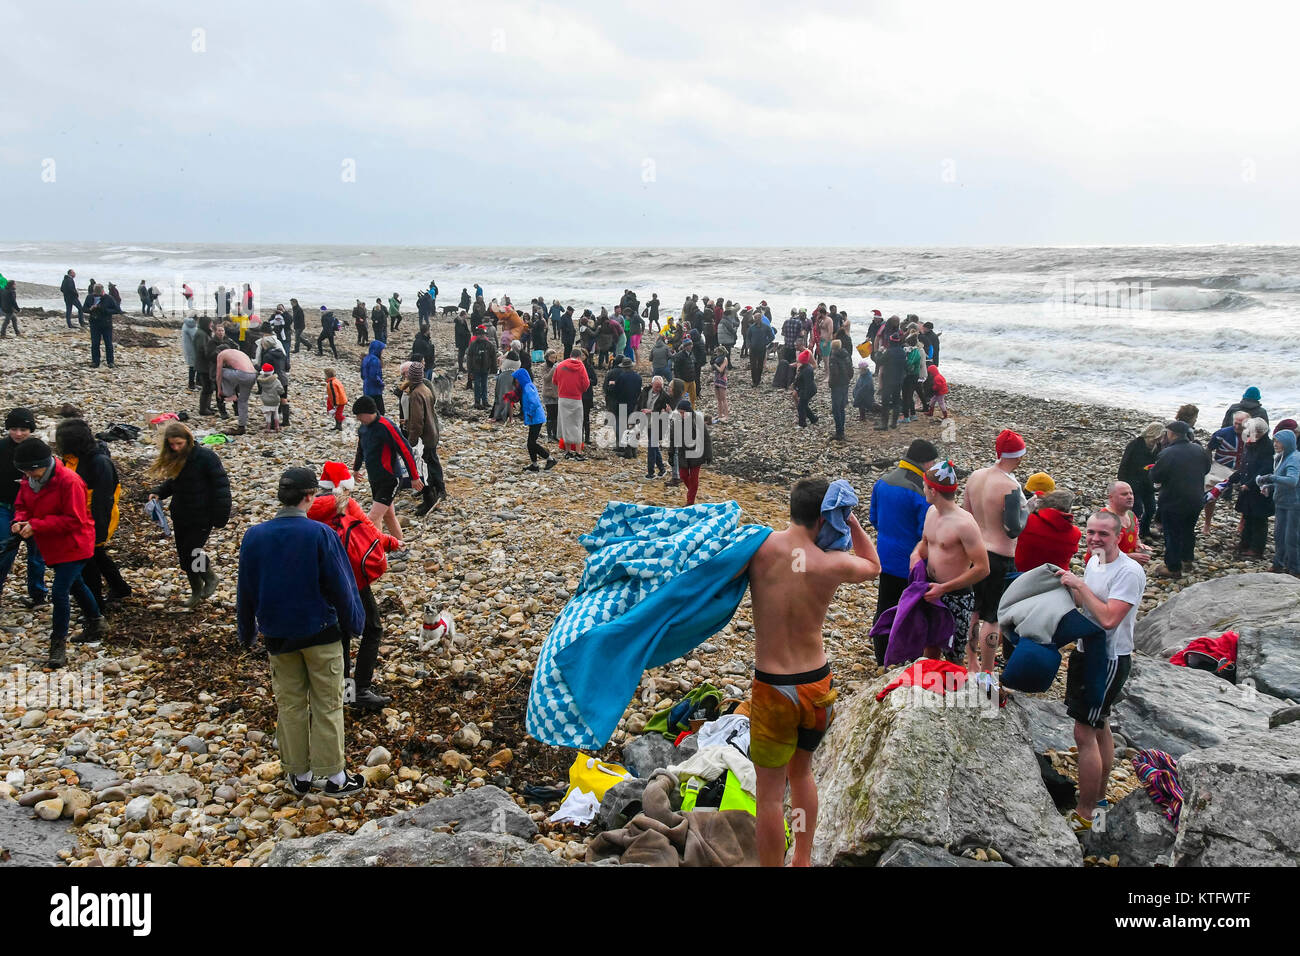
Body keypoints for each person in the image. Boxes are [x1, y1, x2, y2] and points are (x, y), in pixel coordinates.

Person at [747, 478, 881, 866]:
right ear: (826, 518)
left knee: (770, 795)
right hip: (816, 685)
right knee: (802, 774)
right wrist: (852, 522)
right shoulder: (829, 563)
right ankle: (802, 860)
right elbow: (874, 565)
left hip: (773, 687)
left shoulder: (760, 549)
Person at [238, 467, 367, 797]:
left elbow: (246, 589)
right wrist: (356, 623)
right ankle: (335, 778)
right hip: (320, 632)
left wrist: (246, 631)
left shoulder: (254, 536)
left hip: (278, 635)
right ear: (311, 496)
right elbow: (342, 585)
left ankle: (299, 775)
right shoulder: (319, 535)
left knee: (291, 704)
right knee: (327, 702)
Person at [1055, 511, 1146, 833]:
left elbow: (1109, 619)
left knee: (1084, 732)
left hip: (1107, 658)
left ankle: (1086, 811)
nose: (1094, 538)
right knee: (1100, 723)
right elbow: (1088, 601)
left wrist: (1079, 584)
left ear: (1119, 536)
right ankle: (1100, 798)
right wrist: (1068, 585)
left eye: (1103, 534)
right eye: (1090, 531)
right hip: (1086, 651)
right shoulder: (1094, 561)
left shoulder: (1129, 572)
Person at [308, 462, 397, 711]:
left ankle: (345, 693)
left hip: (322, 579)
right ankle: (362, 690)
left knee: (342, 634)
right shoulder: (345, 503)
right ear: (344, 485)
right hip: (351, 576)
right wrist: (393, 543)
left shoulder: (308, 509)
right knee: (373, 628)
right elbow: (371, 533)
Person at [10, 439, 103, 668]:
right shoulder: (29, 479)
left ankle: (58, 644)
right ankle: (96, 621)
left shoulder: (70, 481)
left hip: (75, 543)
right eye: (24, 470)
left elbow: (75, 519)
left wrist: (36, 525)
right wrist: (19, 520)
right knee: (76, 584)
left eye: (32, 469)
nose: (29, 474)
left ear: (45, 464)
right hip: (52, 543)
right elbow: (22, 504)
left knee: (60, 590)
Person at [961, 429, 1028, 674]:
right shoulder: (1011, 485)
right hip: (999, 557)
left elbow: (966, 514)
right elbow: (1013, 528)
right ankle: (987, 670)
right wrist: (1028, 508)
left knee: (973, 612)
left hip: (975, 551)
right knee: (992, 618)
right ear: (1019, 456)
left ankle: (971, 662)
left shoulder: (975, 476)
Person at [909, 461, 988, 663]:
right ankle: (931, 691)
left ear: (933, 490)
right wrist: (916, 554)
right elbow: (925, 543)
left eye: (925, 486)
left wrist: (944, 588)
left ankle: (954, 692)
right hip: (930, 590)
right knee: (930, 647)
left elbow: (982, 568)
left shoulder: (964, 524)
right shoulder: (931, 512)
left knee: (954, 655)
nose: (923, 489)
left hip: (957, 597)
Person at [868, 438, 939, 659]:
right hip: (910, 562)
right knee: (908, 611)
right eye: (933, 463)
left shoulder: (883, 481)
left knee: (884, 606)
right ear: (925, 462)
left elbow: (874, 519)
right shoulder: (921, 490)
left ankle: (881, 656)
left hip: (884, 557)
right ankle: (904, 657)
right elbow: (926, 533)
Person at [147, 422, 231, 607]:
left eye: (179, 443)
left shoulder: (206, 457)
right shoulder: (176, 459)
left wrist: (221, 515)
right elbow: (173, 483)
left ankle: (210, 578)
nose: (176, 448)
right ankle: (196, 590)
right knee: (185, 556)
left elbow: (221, 486)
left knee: (193, 550)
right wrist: (159, 492)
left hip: (202, 514)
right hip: (181, 513)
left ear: (188, 440)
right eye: (172, 444)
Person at [54, 417, 130, 612]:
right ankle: (120, 588)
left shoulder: (99, 463)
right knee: (97, 556)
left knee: (89, 562)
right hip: (79, 519)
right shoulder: (70, 460)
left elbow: (103, 500)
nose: (58, 444)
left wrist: (99, 530)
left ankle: (96, 607)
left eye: (61, 440)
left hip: (95, 519)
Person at [350, 396, 423, 548]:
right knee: (389, 515)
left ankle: (377, 553)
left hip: (390, 478)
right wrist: (356, 468)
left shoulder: (386, 426)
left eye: (359, 416)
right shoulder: (363, 428)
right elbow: (361, 449)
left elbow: (406, 450)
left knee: (373, 517)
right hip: (375, 478)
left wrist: (414, 477)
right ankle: (400, 547)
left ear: (368, 412)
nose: (358, 419)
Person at [1149, 420, 1211, 579]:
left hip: (1174, 499)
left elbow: (1156, 476)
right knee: (1188, 530)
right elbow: (1207, 469)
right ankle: (1187, 560)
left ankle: (1173, 567)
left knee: (1172, 533)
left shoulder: (1168, 453)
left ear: (1172, 434)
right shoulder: (1199, 449)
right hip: (1196, 498)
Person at [0, 409, 49, 609]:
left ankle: (38, 594)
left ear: (31, 429)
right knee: (4, 550)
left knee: (36, 554)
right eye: (13, 429)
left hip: (34, 511)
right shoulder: (1, 447)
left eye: (23, 429)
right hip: (5, 507)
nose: (18, 434)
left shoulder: (39, 449)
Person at [396, 361, 448, 514]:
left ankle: (433, 496)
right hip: (431, 432)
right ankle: (436, 491)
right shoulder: (424, 388)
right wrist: (408, 421)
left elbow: (418, 422)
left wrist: (412, 441)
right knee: (430, 462)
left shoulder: (416, 394)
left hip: (424, 436)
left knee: (424, 465)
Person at [1257, 427, 1300, 575]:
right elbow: (1281, 481)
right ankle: (1278, 563)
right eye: (1274, 440)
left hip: (1294, 504)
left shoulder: (1294, 458)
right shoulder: (1280, 457)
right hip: (1281, 502)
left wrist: (1271, 478)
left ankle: (1295, 568)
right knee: (1279, 535)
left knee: (1292, 538)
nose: (1275, 444)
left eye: (1278, 441)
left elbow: (1293, 481)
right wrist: (1270, 486)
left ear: (1287, 443)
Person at [1014, 490, 1081, 572]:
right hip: (1055, 579)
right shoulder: (1075, 533)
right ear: (1068, 509)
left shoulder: (1028, 520)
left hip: (1020, 576)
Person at [1236, 418, 1275, 559]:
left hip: (1259, 489)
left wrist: (1250, 483)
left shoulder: (1267, 447)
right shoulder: (1251, 443)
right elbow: (1245, 464)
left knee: (1259, 519)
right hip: (1248, 486)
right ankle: (1245, 543)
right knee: (1247, 516)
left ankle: (1256, 549)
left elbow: (1266, 469)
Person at [1117, 422, 1164, 540]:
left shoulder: (1156, 447)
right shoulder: (1135, 445)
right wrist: (1123, 484)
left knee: (1151, 508)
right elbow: (1124, 465)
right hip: (1132, 481)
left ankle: (1144, 530)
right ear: (1152, 434)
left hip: (1147, 482)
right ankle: (1132, 534)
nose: (1159, 440)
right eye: (1157, 438)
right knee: (1137, 509)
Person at [1204, 411, 1248, 533]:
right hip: (1221, 466)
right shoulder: (1221, 434)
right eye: (1236, 423)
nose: (1237, 427)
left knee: (1248, 493)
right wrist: (1207, 467)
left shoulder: (1251, 434)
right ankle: (1207, 523)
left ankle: (1242, 524)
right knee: (1210, 491)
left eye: (1241, 424)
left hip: (1242, 468)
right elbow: (1209, 449)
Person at [1100, 480, 1152, 565]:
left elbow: (1136, 536)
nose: (1130, 497)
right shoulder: (1103, 519)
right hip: (1106, 571)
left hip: (1125, 568)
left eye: (1131, 493)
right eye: (1124, 494)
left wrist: (1138, 545)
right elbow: (1100, 554)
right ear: (1111, 498)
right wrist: (1130, 557)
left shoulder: (1131, 515)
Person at [552, 349, 590, 459]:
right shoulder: (581, 366)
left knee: (565, 424)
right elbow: (586, 383)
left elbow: (555, 380)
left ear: (570, 355)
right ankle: (578, 452)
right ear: (579, 357)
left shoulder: (561, 365)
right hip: (576, 398)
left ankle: (568, 451)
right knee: (577, 424)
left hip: (563, 398)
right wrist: (579, 391)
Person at [670, 398, 708, 505]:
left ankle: (690, 501)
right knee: (683, 476)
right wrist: (671, 454)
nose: (680, 415)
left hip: (697, 454)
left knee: (694, 478)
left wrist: (709, 454)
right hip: (683, 454)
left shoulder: (697, 420)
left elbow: (706, 438)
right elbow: (672, 439)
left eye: (682, 412)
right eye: (679, 412)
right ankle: (692, 491)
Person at [215, 341, 257, 435]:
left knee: (222, 371)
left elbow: (218, 374)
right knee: (243, 401)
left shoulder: (221, 354)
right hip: (253, 375)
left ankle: (230, 394)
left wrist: (219, 389)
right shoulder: (238, 352)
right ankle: (241, 427)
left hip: (242, 374)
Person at [85, 284, 121, 369]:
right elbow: (84, 309)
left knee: (108, 343)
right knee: (95, 343)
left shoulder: (109, 298)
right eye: (96, 292)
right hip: (94, 323)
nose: (97, 294)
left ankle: (110, 362)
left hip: (106, 323)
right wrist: (90, 309)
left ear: (102, 290)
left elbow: (117, 310)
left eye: (99, 292)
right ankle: (95, 362)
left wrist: (102, 308)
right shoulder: (89, 297)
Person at [875, 332, 905, 430]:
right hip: (899, 380)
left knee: (886, 402)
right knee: (896, 402)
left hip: (888, 380)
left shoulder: (889, 352)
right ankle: (894, 423)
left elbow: (879, 361)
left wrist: (879, 352)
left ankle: (884, 425)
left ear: (891, 341)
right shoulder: (902, 351)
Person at [466, 325, 497, 410]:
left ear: (485, 335)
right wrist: (470, 370)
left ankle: (485, 401)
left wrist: (494, 368)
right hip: (475, 369)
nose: (481, 336)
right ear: (477, 335)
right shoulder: (473, 345)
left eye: (483, 334)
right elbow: (469, 357)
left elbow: (493, 357)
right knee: (477, 386)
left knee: (484, 385)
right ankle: (477, 402)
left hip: (485, 368)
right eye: (480, 335)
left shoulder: (489, 345)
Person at [827, 340, 852, 441]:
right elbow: (851, 370)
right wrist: (848, 379)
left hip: (837, 385)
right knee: (841, 408)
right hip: (845, 383)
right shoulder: (846, 355)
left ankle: (839, 432)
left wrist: (831, 384)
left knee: (836, 409)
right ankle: (841, 430)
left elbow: (834, 374)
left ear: (832, 348)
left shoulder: (833, 358)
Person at [746, 314, 775, 388]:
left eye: (757, 318)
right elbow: (748, 337)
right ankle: (754, 381)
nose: (755, 319)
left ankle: (758, 380)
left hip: (762, 348)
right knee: (753, 365)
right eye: (755, 318)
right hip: (753, 349)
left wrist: (766, 342)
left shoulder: (766, 327)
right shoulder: (751, 327)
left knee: (760, 365)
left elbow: (772, 336)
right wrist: (749, 345)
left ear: (760, 318)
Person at [792, 349, 818, 428]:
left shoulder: (807, 370)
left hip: (808, 390)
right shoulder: (805, 367)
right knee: (804, 405)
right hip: (807, 389)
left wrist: (804, 394)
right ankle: (813, 419)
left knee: (801, 406)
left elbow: (807, 383)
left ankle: (802, 424)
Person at [361, 340, 387, 417]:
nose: (382, 351)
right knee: (380, 411)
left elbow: (362, 375)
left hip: (366, 387)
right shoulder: (375, 360)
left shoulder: (366, 358)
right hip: (375, 390)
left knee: (369, 410)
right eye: (382, 349)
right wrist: (381, 384)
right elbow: (374, 376)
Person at [257, 363, 285, 433]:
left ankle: (268, 428)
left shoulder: (262, 381)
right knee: (276, 413)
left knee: (268, 415)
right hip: (275, 399)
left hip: (266, 400)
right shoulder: (276, 381)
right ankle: (277, 427)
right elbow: (281, 390)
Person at [324, 368, 348, 432]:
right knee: (337, 414)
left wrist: (335, 404)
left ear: (327, 375)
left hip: (339, 401)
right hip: (341, 399)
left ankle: (345, 422)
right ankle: (338, 426)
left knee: (338, 414)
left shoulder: (331, 383)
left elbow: (334, 394)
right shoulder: (336, 381)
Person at [181, 313, 200, 389]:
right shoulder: (191, 325)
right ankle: (192, 384)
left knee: (193, 365)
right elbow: (196, 338)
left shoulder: (186, 323)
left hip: (188, 347)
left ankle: (193, 383)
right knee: (193, 366)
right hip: (193, 348)